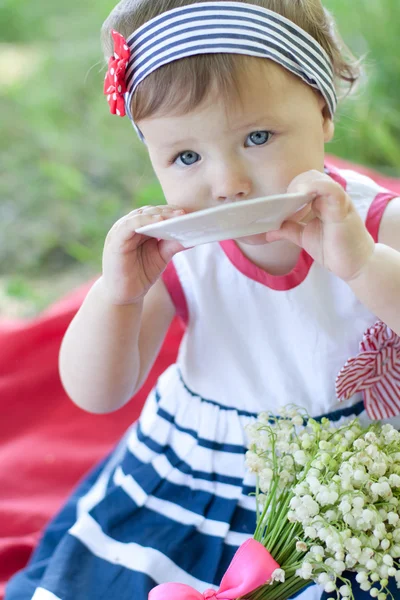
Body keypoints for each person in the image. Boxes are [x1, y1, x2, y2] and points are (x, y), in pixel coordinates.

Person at [6, 0, 400, 598]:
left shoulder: (373, 222)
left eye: (258, 137)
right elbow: (98, 391)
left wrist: (363, 264)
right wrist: (117, 297)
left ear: (323, 114)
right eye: (186, 157)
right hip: (202, 471)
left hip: (356, 484)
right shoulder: (182, 248)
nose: (227, 183)